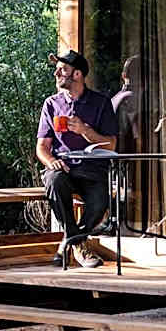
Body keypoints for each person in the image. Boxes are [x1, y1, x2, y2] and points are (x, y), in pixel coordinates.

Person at [36, 49, 118, 268]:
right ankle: (79, 245)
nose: (57, 73)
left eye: (62, 69)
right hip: (63, 168)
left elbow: (111, 144)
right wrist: (50, 162)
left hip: (92, 169)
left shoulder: (101, 103)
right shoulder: (51, 104)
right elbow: (42, 147)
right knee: (53, 181)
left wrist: (85, 130)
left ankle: (68, 241)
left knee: (101, 203)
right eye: (57, 69)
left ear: (78, 75)